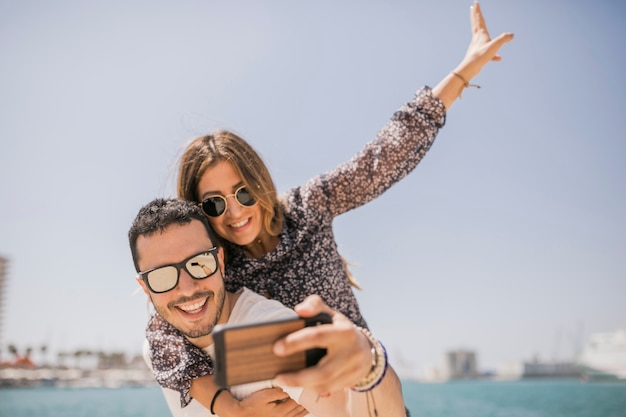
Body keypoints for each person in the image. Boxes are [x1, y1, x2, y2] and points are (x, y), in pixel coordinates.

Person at [146, 1, 514, 415]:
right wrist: (229, 408)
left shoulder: (307, 209)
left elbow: (382, 158)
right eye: (214, 203)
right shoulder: (214, 267)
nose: (234, 211)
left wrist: (465, 71)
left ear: (261, 185)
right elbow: (161, 337)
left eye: (243, 192)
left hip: (369, 397)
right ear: (200, 212)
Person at [130, 198, 407, 417]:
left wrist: (370, 366)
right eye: (162, 276)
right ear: (145, 288)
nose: (187, 288)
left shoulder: (266, 335)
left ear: (221, 261)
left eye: (199, 263)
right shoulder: (159, 350)